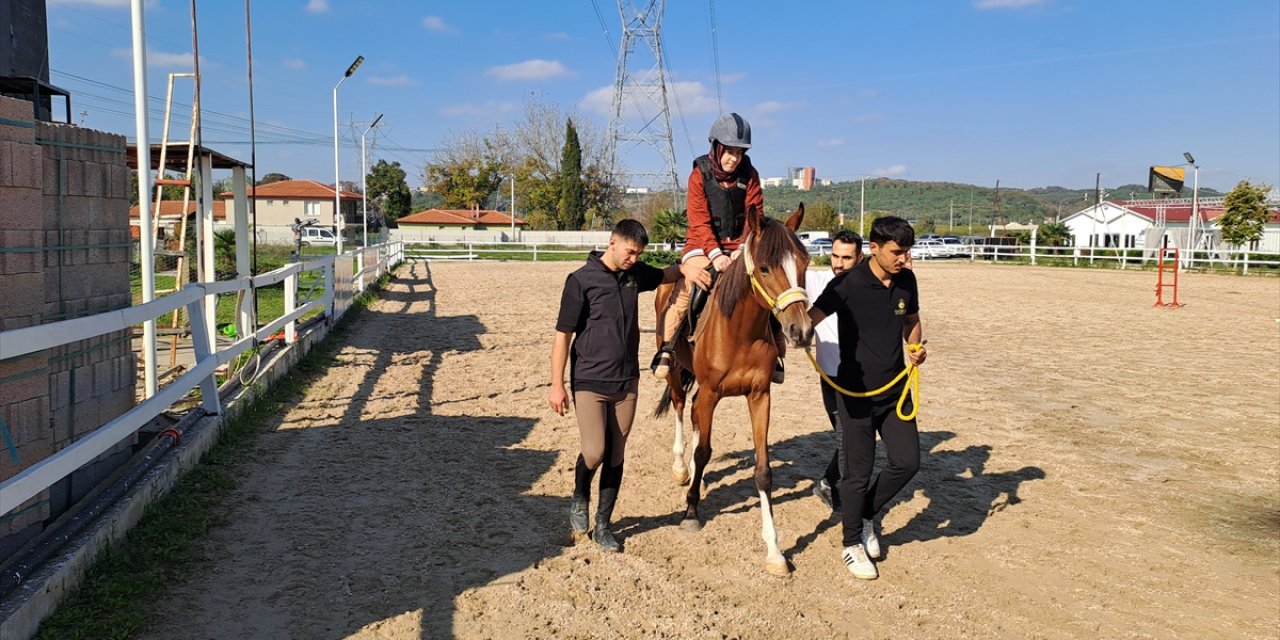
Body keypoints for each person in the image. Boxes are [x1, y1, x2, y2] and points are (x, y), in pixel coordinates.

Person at [549, 219, 700, 552]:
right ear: (612, 242)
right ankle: (579, 495)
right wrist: (556, 384)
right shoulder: (580, 281)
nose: (634, 259)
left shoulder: (635, 275)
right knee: (595, 451)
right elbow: (562, 337)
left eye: (639, 254)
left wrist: (694, 266)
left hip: (627, 381)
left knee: (616, 454)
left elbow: (668, 274)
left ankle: (603, 525)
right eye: (630, 252)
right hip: (590, 380)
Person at [809, 216, 928, 580]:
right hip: (855, 395)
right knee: (856, 475)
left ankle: (865, 516)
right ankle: (850, 544)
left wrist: (916, 347)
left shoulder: (906, 279)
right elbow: (810, 317)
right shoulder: (846, 284)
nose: (904, 259)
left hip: (895, 392)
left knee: (907, 462)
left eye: (907, 252)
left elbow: (912, 321)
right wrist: (793, 333)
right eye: (897, 252)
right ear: (874, 249)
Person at [652, 112, 769, 380]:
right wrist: (715, 254)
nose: (734, 158)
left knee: (766, 281)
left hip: (741, 245)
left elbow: (755, 216)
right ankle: (668, 347)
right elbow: (699, 220)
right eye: (729, 152)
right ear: (716, 147)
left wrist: (741, 249)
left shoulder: (750, 176)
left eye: (739, 153)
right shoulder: (698, 176)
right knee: (691, 284)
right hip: (701, 245)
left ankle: (775, 349)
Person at [806, 231, 863, 514]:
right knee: (846, 436)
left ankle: (829, 482)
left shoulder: (868, 284)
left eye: (846, 258)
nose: (839, 263)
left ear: (860, 257)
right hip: (832, 375)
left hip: (866, 374)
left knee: (855, 436)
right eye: (835, 256)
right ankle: (836, 489)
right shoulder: (816, 281)